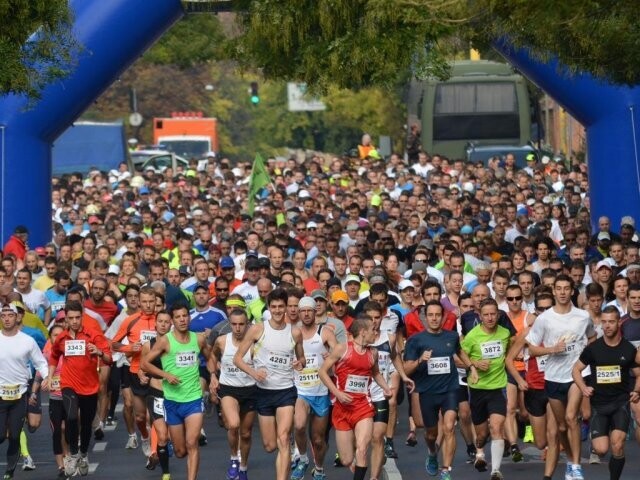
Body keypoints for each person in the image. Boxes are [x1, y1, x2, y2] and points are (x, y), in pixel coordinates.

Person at [526, 275, 595, 480]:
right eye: (559, 288)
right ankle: (570, 459)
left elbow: (592, 337)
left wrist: (585, 356)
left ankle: (575, 465)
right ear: (554, 291)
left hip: (576, 374)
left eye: (567, 288)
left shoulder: (583, 316)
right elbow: (531, 349)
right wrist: (552, 349)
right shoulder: (544, 319)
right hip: (553, 377)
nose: (563, 292)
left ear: (572, 291)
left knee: (571, 417)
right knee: (562, 426)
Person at [233, 288, 306, 480]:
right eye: (274, 307)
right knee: (269, 445)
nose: (278, 310)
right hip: (264, 392)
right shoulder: (258, 329)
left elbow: (302, 359)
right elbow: (238, 359)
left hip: (286, 392)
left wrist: (300, 363)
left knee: (283, 439)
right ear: (268, 308)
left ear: (288, 307)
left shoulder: (295, 332)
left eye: (281, 306)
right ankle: (285, 448)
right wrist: (254, 373)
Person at [141, 303, 210, 480]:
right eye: (178, 317)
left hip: (194, 398)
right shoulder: (165, 341)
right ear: (173, 321)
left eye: (185, 316)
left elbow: (211, 358)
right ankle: (174, 450)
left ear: (189, 317)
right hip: (171, 400)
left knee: (192, 442)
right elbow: (144, 363)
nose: (182, 320)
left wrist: (214, 375)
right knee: (180, 451)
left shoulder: (199, 339)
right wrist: (165, 375)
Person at [319, 314, 392, 480]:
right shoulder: (342, 349)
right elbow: (322, 372)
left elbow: (376, 373)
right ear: (363, 332)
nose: (376, 332)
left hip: (363, 407)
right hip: (342, 408)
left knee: (361, 448)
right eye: (373, 330)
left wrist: (386, 388)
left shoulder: (372, 353)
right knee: (346, 459)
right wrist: (337, 393)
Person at [572, 306, 640, 480]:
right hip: (599, 405)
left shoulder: (628, 349)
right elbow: (576, 370)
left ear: (618, 323)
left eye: (611, 321)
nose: (607, 325)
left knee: (617, 445)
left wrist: (636, 390)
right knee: (602, 449)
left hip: (620, 403)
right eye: (604, 322)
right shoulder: (593, 348)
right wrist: (583, 387)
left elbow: (639, 373)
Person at [48, 301, 111, 477]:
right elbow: (54, 356)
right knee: (71, 417)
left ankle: (83, 453)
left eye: (77, 317)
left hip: (90, 387)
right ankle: (73, 454)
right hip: (68, 384)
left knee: (86, 424)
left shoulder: (93, 335)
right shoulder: (62, 338)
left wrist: (98, 352)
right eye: (71, 318)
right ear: (65, 319)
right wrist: (50, 375)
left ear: (82, 317)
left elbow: (109, 358)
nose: (74, 321)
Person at [404, 300, 464, 480]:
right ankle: (432, 453)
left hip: (450, 389)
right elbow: (406, 370)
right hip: (428, 391)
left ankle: (446, 469)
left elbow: (460, 353)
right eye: (431, 315)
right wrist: (421, 360)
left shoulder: (452, 337)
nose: (434, 318)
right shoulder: (416, 340)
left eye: (438, 315)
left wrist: (472, 367)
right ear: (425, 317)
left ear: (444, 316)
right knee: (431, 434)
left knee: (449, 427)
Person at [506, 291, 560, 480]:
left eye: (548, 308)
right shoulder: (528, 333)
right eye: (541, 309)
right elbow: (509, 360)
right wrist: (520, 380)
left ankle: (548, 476)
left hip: (555, 386)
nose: (544, 312)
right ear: (535, 311)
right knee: (540, 442)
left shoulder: (561, 330)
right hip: (534, 388)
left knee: (553, 435)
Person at [461, 298, 511, 480]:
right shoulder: (472, 336)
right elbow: (458, 357)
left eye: (493, 314)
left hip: (498, 387)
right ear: (480, 316)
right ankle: (479, 449)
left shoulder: (505, 333)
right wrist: (473, 363)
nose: (490, 318)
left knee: (497, 426)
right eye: (486, 315)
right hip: (477, 389)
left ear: (498, 315)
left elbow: (512, 352)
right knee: (482, 434)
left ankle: (496, 470)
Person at [0, 302, 49, 480]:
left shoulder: (27, 341)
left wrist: (48, 377)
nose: (6, 319)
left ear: (17, 317)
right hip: (0, 394)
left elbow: (41, 363)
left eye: (10, 315)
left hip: (20, 394)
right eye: (3, 315)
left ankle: (9, 472)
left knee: (14, 434)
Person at [291, 296, 337, 480]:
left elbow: (338, 351)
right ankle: (302, 458)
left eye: (310, 310)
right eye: (303, 310)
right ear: (299, 313)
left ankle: (318, 468)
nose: (307, 313)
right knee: (300, 425)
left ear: (315, 311)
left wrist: (331, 356)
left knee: (318, 440)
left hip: (320, 391)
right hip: (300, 390)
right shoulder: (293, 333)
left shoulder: (324, 332)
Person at [209, 309, 257, 480]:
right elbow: (212, 357)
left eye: (241, 324)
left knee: (245, 433)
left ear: (247, 325)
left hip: (250, 390)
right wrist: (213, 375)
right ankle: (234, 459)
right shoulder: (222, 341)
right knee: (234, 424)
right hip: (228, 388)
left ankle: (243, 467)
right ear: (230, 324)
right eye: (234, 324)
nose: (237, 328)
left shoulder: (254, 344)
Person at [111, 286, 157, 457]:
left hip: (157, 372)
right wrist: (130, 347)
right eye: (144, 301)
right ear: (138, 301)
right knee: (139, 417)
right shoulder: (131, 320)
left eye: (151, 301)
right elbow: (114, 344)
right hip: (136, 371)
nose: (148, 305)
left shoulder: (161, 320)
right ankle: (145, 438)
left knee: (154, 416)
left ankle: (155, 450)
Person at [139, 310, 172, 479]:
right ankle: (165, 473)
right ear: (156, 323)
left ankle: (165, 449)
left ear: (171, 324)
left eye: (167, 321)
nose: (164, 324)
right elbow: (141, 366)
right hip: (155, 392)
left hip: (175, 393)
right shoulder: (148, 345)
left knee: (175, 435)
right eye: (161, 321)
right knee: (162, 434)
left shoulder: (176, 344)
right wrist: (141, 375)